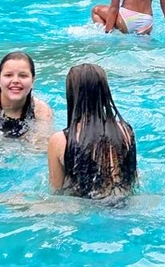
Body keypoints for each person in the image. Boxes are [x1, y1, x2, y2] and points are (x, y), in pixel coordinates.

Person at [47, 63, 137, 200]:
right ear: (104, 91)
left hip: (86, 206)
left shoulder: (60, 140)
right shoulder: (125, 131)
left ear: (71, 94)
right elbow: (133, 181)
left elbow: (56, 192)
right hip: (124, 203)